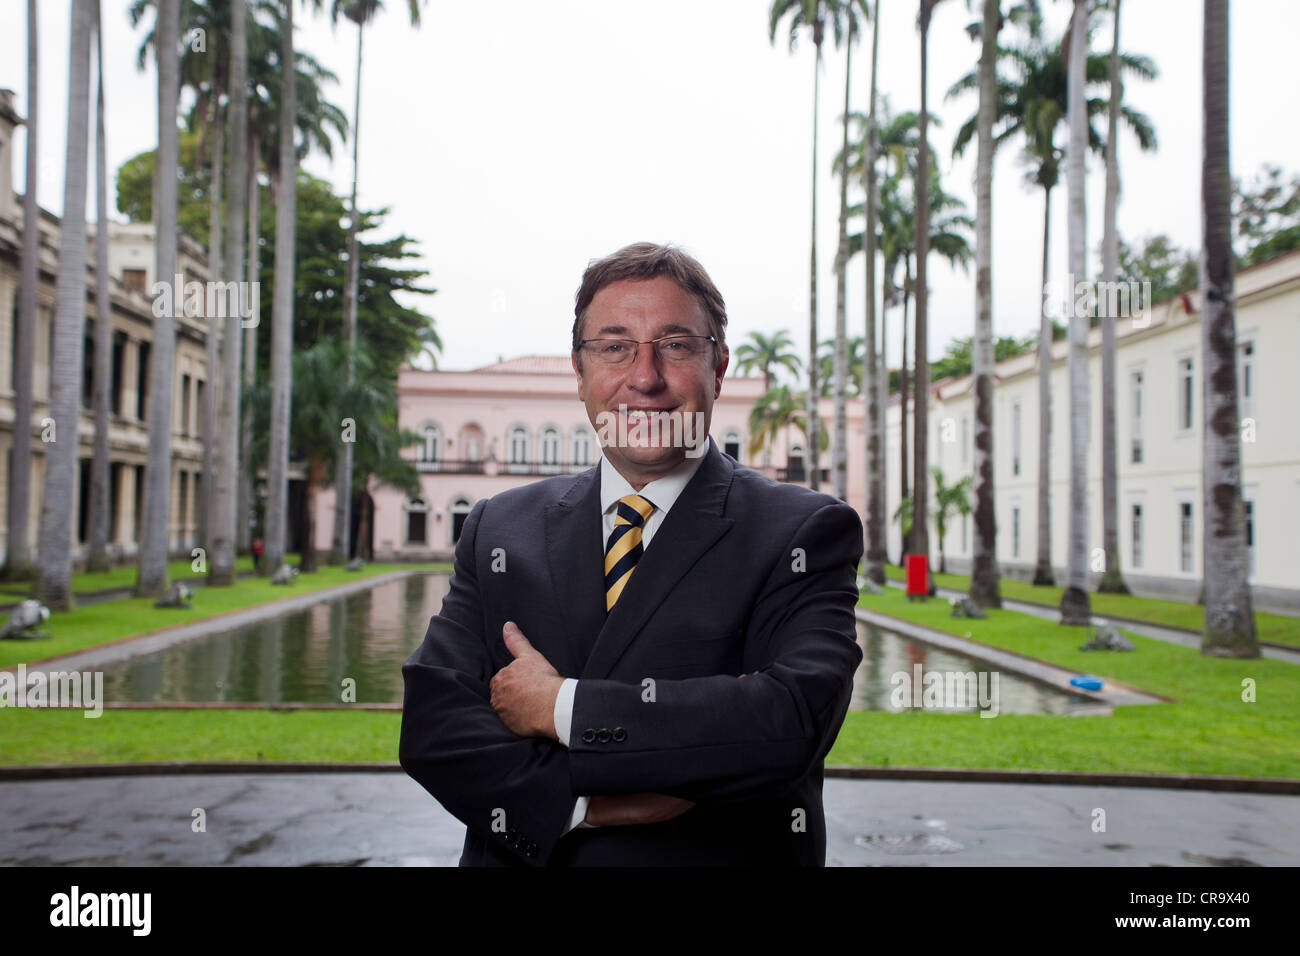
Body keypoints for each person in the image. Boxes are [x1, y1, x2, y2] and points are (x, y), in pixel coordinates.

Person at [399, 242, 864, 866]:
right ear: (580, 368)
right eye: (614, 346)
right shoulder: (498, 528)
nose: (644, 377)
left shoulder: (802, 532)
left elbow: (787, 721)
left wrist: (557, 705)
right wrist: (587, 806)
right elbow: (435, 727)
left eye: (675, 345)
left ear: (718, 366)